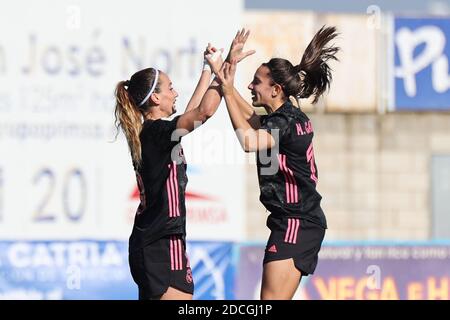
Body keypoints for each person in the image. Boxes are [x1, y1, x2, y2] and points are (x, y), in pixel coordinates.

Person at [114, 35, 254, 300]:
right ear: (155, 98)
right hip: (163, 244)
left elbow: (192, 113)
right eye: (170, 88)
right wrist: (223, 72)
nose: (175, 92)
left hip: (152, 243)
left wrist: (206, 70)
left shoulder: (153, 133)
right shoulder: (156, 133)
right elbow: (202, 114)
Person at [210, 26, 339, 300]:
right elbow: (254, 121)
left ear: (276, 89)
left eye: (256, 82)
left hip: (296, 221)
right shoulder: (285, 117)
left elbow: (249, 140)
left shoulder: (285, 121)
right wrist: (228, 87)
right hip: (297, 221)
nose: (251, 86)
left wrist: (227, 90)